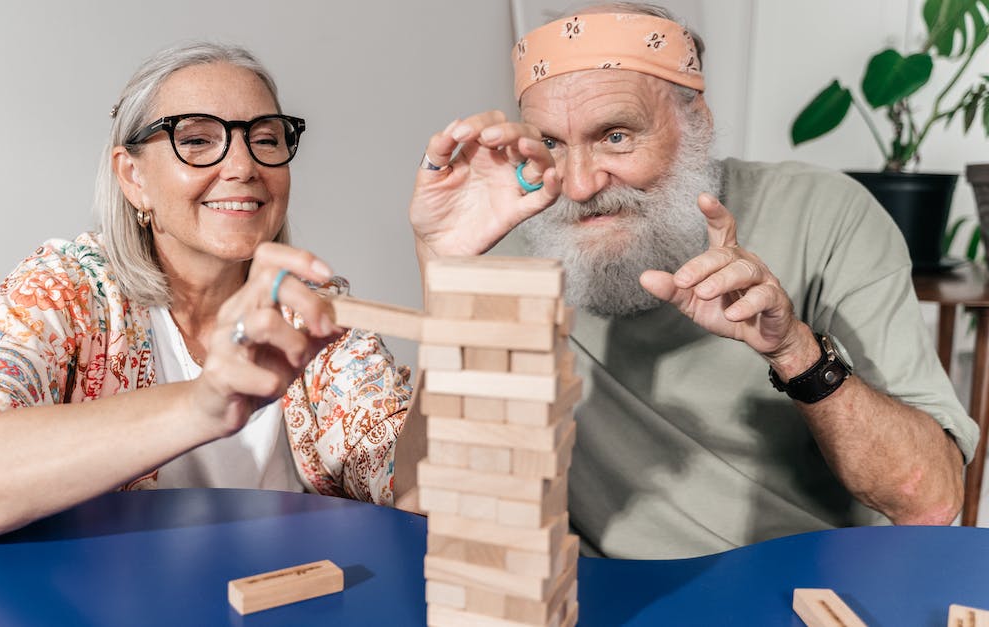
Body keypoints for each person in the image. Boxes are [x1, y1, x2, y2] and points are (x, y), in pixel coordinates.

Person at [407, 2, 979, 558]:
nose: (579, 186)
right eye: (552, 143)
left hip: (800, 581)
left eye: (615, 136)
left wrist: (794, 351)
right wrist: (442, 266)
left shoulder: (827, 214)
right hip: (603, 592)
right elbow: (422, 504)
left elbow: (930, 501)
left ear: (696, 122)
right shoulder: (519, 239)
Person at [0, 42, 412, 541]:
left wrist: (444, 262)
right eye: (197, 140)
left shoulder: (310, 311)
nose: (244, 166)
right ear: (132, 176)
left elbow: (414, 488)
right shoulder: (67, 291)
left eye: (266, 139)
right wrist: (201, 405)